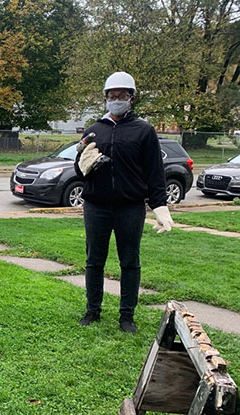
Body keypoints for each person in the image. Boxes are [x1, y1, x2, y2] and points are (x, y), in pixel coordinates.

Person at [74, 72, 174, 333]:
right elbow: (79, 169)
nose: (116, 100)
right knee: (94, 260)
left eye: (122, 96)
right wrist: (82, 164)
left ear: (131, 98)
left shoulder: (144, 131)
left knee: (129, 261)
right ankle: (92, 310)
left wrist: (159, 206)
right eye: (112, 96)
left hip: (130, 207)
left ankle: (127, 316)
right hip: (96, 206)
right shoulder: (94, 130)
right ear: (105, 99)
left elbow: (155, 173)